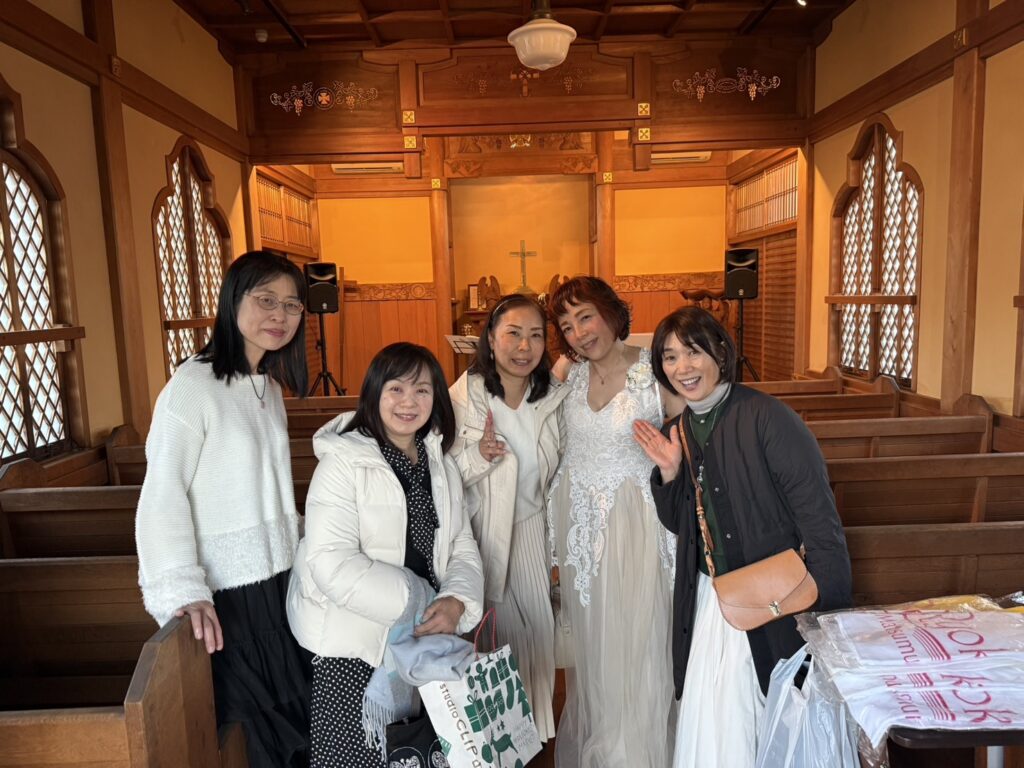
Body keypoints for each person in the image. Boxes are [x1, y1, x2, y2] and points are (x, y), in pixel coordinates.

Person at [632, 306, 853, 768]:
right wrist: (670, 473)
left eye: (694, 352)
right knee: (718, 726)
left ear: (720, 351)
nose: (683, 367)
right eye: (670, 357)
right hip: (713, 602)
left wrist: (826, 624)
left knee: (773, 717)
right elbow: (681, 526)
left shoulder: (768, 418)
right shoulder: (678, 430)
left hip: (776, 602)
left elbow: (821, 523)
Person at [135, 249, 312, 768]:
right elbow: (162, 493)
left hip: (278, 586)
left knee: (298, 732)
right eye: (266, 300)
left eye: (293, 305)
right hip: (229, 597)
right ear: (233, 300)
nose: (281, 316)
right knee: (254, 743)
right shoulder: (191, 388)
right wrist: (183, 590)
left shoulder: (268, 387)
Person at [286, 342, 484, 768]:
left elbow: (461, 544)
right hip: (355, 648)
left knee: (418, 753)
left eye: (422, 390)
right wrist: (420, 603)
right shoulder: (343, 463)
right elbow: (331, 563)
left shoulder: (440, 463)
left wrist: (457, 600)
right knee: (357, 758)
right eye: (396, 389)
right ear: (374, 392)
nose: (408, 402)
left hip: (425, 642)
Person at [546, 275, 679, 768]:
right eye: (567, 326)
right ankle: (604, 738)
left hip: (638, 525)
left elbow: (691, 441)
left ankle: (638, 752)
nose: (580, 333)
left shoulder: (654, 371)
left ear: (610, 312)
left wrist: (673, 468)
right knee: (594, 642)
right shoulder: (569, 378)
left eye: (586, 317)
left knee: (639, 637)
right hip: (581, 527)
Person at [448, 294, 569, 742]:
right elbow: (442, 477)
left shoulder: (552, 397)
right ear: (491, 338)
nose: (524, 346)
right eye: (513, 333)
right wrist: (478, 456)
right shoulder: (464, 397)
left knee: (538, 632)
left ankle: (532, 735)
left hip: (534, 527)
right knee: (493, 635)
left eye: (536, 335)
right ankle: (494, 740)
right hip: (484, 531)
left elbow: (563, 467)